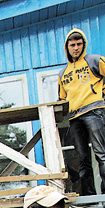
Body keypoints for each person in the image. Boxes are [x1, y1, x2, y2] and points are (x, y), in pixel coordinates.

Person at [58, 28, 105, 196]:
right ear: (67, 47)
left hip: (94, 111)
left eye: (79, 44)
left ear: (83, 45)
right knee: (82, 159)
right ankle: (90, 196)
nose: (76, 48)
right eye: (72, 45)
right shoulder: (63, 73)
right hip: (75, 117)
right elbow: (61, 98)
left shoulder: (94, 61)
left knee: (101, 154)